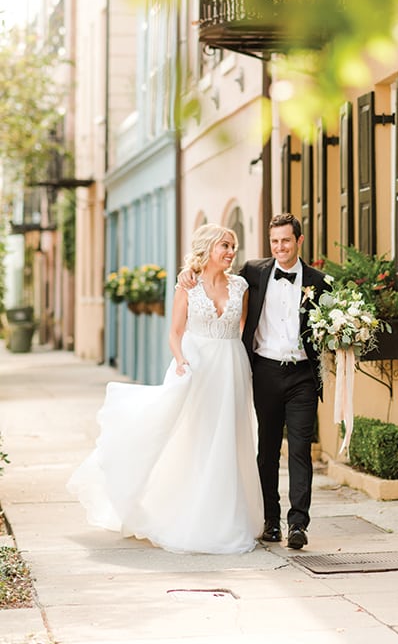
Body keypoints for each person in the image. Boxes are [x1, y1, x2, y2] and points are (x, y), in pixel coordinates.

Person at [67, 224, 263, 555]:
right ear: (208, 248)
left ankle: (228, 516)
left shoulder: (241, 285)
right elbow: (174, 332)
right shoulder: (188, 286)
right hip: (196, 366)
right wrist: (182, 359)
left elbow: (243, 327)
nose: (231, 252)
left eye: (233, 246)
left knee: (229, 439)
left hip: (231, 365)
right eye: (225, 245)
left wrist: (236, 359)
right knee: (193, 439)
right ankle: (188, 512)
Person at [179, 212, 327, 549]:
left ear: (299, 242)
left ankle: (298, 524)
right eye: (274, 241)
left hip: (303, 374)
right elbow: (213, 273)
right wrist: (188, 273)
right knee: (267, 450)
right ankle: (271, 521)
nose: (279, 247)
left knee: (301, 450)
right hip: (264, 372)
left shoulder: (319, 282)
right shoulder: (254, 274)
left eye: (286, 241)